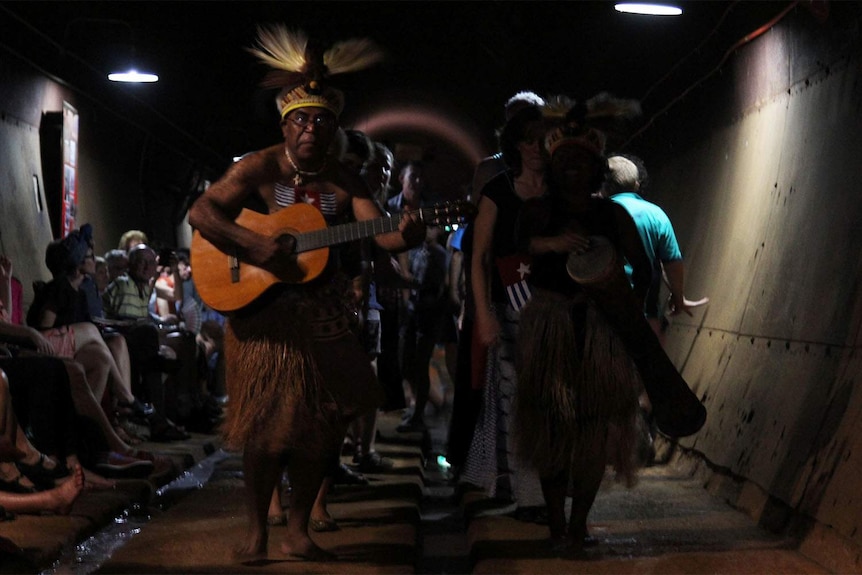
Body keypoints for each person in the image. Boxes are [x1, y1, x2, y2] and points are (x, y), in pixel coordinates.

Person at [187, 26, 424, 561]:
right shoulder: (260, 167)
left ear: (334, 126)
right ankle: (257, 532)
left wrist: (408, 231)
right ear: (285, 124)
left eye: (321, 120)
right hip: (264, 318)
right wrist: (255, 246)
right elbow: (202, 212)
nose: (310, 128)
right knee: (265, 431)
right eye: (300, 119)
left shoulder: (346, 179)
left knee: (321, 426)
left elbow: (381, 232)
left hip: (321, 314)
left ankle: (298, 530)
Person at [513, 112, 653, 555]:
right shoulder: (537, 211)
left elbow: (644, 268)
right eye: (564, 158)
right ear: (553, 167)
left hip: (599, 328)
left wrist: (621, 298)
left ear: (597, 168)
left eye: (582, 159)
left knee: (594, 429)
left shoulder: (611, 214)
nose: (573, 166)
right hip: (550, 323)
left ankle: (578, 528)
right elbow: (513, 247)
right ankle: (556, 526)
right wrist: (551, 245)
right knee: (553, 426)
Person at [457, 102, 547, 515]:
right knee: (513, 399)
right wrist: (484, 316)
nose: (537, 148)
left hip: (551, 311)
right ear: (516, 146)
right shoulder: (497, 191)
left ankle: (543, 487)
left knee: (547, 398)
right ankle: (521, 493)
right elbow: (478, 257)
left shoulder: (558, 191)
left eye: (543, 140)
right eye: (529, 141)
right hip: (508, 307)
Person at [601, 154, 708, 341]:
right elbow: (671, 263)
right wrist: (678, 296)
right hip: (645, 316)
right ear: (636, 184)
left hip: (603, 318)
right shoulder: (656, 215)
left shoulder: (595, 215)